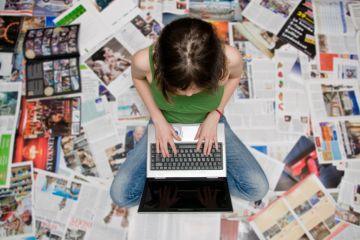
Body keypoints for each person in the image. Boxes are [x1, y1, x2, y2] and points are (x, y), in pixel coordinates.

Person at [110, 18, 269, 208]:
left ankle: (187, 177)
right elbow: (138, 78)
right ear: (162, 70)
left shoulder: (230, 59)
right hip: (164, 122)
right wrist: (157, 117)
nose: (189, 94)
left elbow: (235, 77)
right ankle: (192, 176)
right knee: (120, 196)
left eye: (198, 88)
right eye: (179, 89)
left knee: (257, 189)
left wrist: (215, 113)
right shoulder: (143, 60)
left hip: (211, 122)